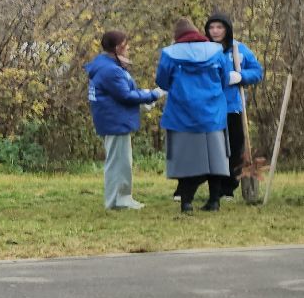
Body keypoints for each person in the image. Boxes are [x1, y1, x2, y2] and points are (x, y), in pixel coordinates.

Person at [156, 18, 239, 212]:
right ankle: (214, 201)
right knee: (215, 158)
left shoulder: (169, 53)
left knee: (186, 160)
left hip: (181, 115)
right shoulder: (216, 50)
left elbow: (162, 81)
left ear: (177, 36)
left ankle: (186, 202)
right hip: (212, 114)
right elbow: (224, 79)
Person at [84, 30, 164, 209]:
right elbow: (125, 95)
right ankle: (118, 200)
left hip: (114, 119)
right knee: (119, 163)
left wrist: (142, 96)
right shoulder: (111, 70)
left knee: (121, 161)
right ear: (118, 47)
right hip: (115, 121)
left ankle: (121, 198)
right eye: (126, 45)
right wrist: (153, 95)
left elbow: (123, 92)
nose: (128, 48)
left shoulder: (106, 65)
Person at [204, 14, 264, 199]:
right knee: (214, 148)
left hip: (233, 106)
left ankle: (229, 188)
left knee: (235, 148)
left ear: (227, 29)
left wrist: (241, 76)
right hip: (209, 107)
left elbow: (257, 72)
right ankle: (214, 187)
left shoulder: (239, 49)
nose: (215, 31)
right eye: (212, 27)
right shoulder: (204, 50)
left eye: (219, 27)